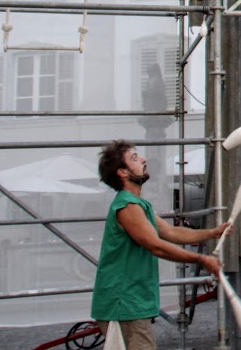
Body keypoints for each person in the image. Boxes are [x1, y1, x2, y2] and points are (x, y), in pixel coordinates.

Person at [92, 140, 230, 349]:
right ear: (123, 172)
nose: (143, 160)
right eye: (135, 158)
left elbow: (170, 233)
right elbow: (155, 246)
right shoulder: (127, 206)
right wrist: (201, 259)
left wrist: (212, 233)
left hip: (131, 302)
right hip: (123, 303)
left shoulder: (139, 205)